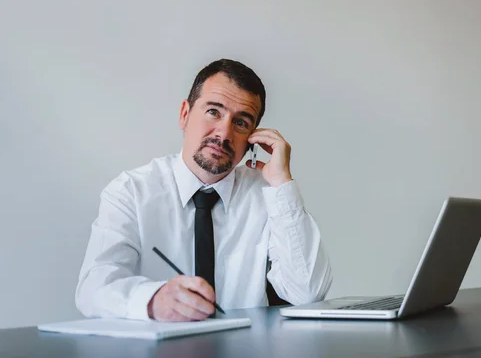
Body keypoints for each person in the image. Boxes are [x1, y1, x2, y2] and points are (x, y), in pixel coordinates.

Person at [75, 59, 333, 321]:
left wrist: (281, 184)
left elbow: (307, 293)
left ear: (252, 139)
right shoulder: (131, 191)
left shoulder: (267, 195)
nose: (223, 133)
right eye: (214, 111)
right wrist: (153, 300)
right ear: (184, 114)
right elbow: (93, 287)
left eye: (241, 123)